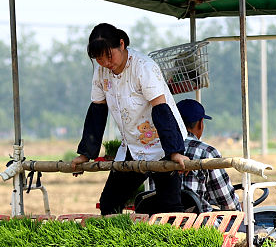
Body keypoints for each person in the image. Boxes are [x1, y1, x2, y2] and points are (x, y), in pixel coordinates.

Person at [70, 23, 188, 215]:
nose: (106, 62)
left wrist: (174, 152)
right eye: (99, 58)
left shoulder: (144, 67)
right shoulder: (101, 72)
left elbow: (161, 109)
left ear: (122, 44)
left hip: (162, 143)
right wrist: (85, 154)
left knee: (170, 207)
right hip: (132, 146)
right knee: (109, 203)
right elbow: (97, 113)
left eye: (109, 55)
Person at [173, 98, 241, 212]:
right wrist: (239, 206)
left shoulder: (157, 151)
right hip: (200, 224)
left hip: (161, 220)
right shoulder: (207, 152)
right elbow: (228, 203)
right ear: (200, 124)